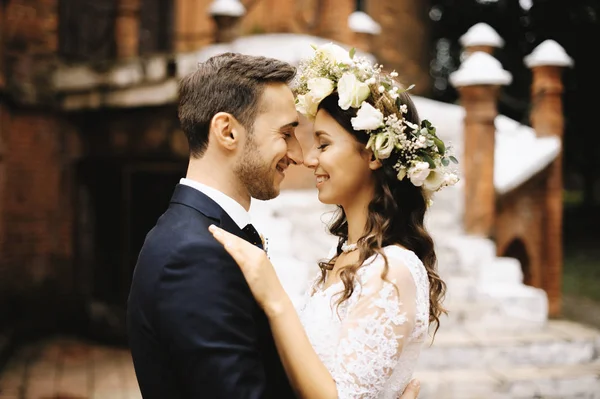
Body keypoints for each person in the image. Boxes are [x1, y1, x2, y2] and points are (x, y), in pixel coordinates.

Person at [126, 51, 423, 399]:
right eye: (286, 133)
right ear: (227, 132)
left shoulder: (206, 237)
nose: (300, 155)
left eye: (320, 142)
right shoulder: (193, 255)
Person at [208, 43, 459, 398]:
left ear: (372, 153)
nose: (309, 158)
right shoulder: (344, 253)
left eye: (323, 144)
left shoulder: (393, 269)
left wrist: (274, 297)